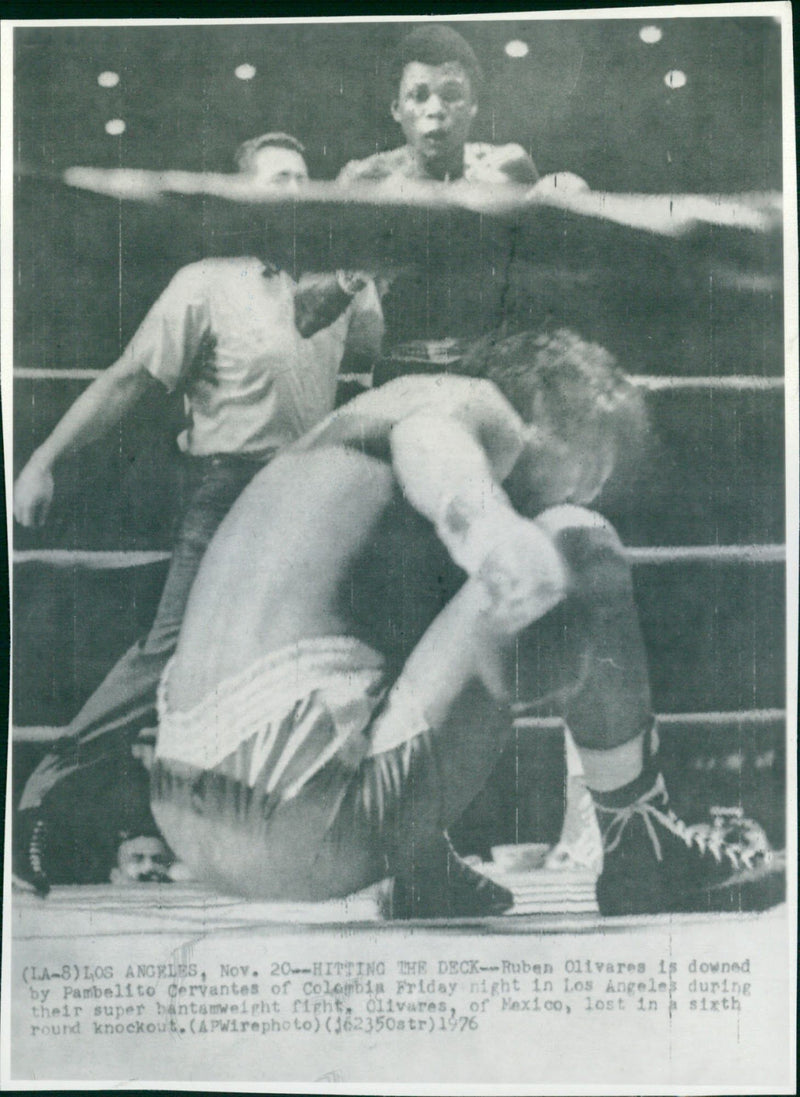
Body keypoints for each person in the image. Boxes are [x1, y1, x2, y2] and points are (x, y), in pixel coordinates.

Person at [150, 329, 783, 917]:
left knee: (434, 605)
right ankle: (643, 844)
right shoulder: (469, 404)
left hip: (186, 819)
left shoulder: (335, 445)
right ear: (543, 406)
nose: (589, 488)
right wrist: (492, 531)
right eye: (594, 460)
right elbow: (436, 441)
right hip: (306, 823)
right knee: (579, 543)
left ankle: (416, 872)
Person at [13, 132, 385, 893]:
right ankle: (39, 801)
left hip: (313, 488)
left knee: (354, 642)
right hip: (227, 487)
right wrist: (43, 459)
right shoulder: (207, 282)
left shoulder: (347, 287)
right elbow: (125, 381)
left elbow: (369, 375)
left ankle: (382, 841)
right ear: (243, 194)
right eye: (276, 178)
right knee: (173, 652)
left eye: (303, 178)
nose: (293, 191)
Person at [338, 24, 538, 186]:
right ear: (396, 109)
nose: (435, 111)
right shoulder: (364, 180)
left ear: (473, 105)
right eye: (419, 96)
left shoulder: (508, 166)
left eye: (451, 95)